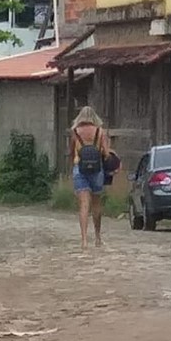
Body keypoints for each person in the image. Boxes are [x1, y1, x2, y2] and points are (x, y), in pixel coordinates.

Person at [69, 106, 112, 249]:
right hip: (97, 169)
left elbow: (71, 152)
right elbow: (106, 154)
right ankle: (98, 237)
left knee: (84, 205)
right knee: (96, 204)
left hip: (79, 169)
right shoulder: (100, 132)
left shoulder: (75, 132)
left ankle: (84, 240)